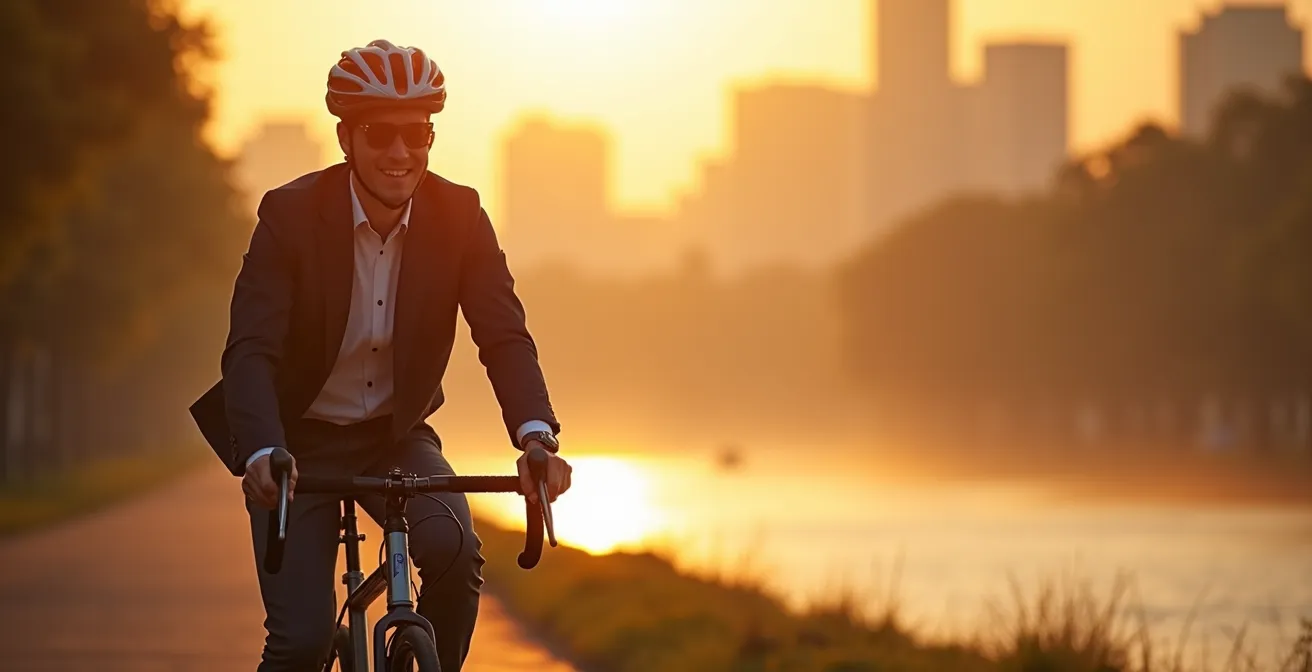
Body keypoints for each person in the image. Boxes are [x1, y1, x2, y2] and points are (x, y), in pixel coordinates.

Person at [188, 39, 572, 671]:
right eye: (379, 133)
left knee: (456, 558)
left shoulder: (460, 215)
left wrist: (536, 437)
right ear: (346, 138)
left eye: (416, 133)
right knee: (301, 641)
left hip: (396, 437)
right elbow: (251, 350)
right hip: (296, 444)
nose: (400, 152)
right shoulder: (289, 215)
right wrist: (260, 451)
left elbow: (503, 336)